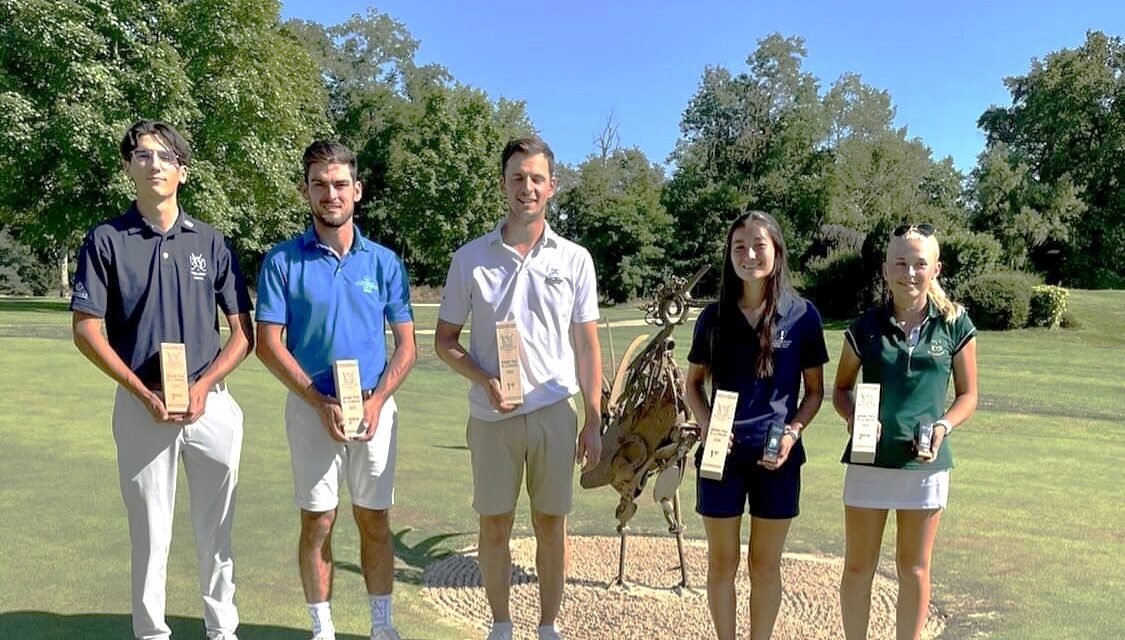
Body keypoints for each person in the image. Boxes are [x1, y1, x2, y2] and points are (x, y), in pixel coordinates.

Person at [71, 120, 253, 640]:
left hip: (210, 402)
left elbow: (242, 334)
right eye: (144, 156)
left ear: (184, 172)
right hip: (141, 405)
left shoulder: (212, 242)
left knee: (216, 530)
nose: (155, 165)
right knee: (150, 533)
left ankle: (223, 630)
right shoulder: (106, 239)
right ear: (128, 167)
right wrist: (138, 389)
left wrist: (203, 386)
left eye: (166, 157)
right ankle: (152, 634)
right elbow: (87, 330)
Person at [434, 136, 602, 640]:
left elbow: (587, 348)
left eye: (535, 178)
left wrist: (594, 421)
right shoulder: (470, 258)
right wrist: (484, 380)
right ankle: (501, 625)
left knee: (552, 524)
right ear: (503, 184)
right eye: (516, 178)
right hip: (491, 417)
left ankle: (548, 627)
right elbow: (445, 341)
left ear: (552, 186)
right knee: (494, 525)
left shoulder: (575, 259)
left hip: (554, 409)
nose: (526, 188)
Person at [255, 141, 416, 640]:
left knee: (374, 520)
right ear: (306, 191)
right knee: (318, 521)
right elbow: (267, 343)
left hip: (373, 406)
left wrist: (376, 399)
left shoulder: (384, 262)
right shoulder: (283, 261)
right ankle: (322, 628)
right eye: (320, 185)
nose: (331, 194)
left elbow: (406, 346)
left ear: (357, 190)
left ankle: (381, 626)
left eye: (340, 184)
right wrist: (316, 400)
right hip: (311, 408)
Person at [684, 210, 829, 640]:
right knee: (721, 563)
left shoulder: (803, 315)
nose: (748, 255)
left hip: (777, 458)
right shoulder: (713, 317)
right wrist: (710, 425)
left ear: (776, 251)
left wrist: (792, 433)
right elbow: (693, 385)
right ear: (729, 255)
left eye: (758, 246)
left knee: (765, 565)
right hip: (721, 458)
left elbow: (815, 392)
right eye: (739, 247)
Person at [834, 223, 978, 640]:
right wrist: (855, 418)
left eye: (919, 264)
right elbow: (841, 389)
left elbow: (968, 395)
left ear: (936, 268)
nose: (909, 272)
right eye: (900, 262)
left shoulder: (955, 324)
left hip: (925, 467)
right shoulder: (864, 327)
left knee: (913, 569)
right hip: (868, 463)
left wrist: (943, 426)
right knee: (859, 567)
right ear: (884, 270)